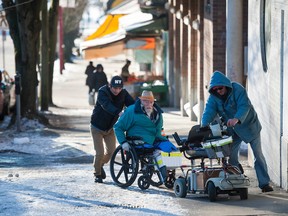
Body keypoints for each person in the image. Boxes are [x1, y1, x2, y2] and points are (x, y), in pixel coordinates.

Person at [201, 70, 273, 193]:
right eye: (216, 89)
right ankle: (236, 180)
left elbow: (244, 106)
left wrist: (237, 119)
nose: (219, 91)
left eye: (220, 88)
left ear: (226, 86)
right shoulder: (214, 98)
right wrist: (202, 127)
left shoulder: (238, 89)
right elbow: (208, 111)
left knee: (258, 155)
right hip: (231, 130)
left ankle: (264, 183)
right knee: (232, 157)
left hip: (249, 126)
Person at [114, 90, 178, 180]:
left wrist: (164, 139)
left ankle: (170, 173)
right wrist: (123, 142)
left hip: (155, 139)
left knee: (173, 150)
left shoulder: (158, 114)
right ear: (141, 101)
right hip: (137, 140)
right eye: (145, 101)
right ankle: (164, 175)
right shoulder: (131, 111)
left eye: (151, 102)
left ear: (153, 102)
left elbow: (159, 130)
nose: (148, 104)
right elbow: (118, 127)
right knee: (157, 153)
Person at [90, 76, 134, 183]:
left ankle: (99, 165)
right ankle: (97, 174)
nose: (117, 91)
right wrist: (119, 112)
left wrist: (143, 107)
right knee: (99, 153)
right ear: (110, 86)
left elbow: (132, 104)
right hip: (97, 127)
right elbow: (106, 105)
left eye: (119, 88)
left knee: (111, 152)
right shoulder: (102, 92)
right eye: (115, 88)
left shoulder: (123, 93)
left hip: (110, 128)